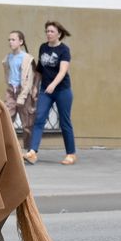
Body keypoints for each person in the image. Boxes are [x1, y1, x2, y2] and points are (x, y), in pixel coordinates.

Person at [24, 22, 76, 165]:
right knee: (39, 118)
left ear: (59, 34)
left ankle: (71, 154)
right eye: (47, 31)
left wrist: (53, 84)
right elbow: (40, 70)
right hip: (46, 91)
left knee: (65, 122)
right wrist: (35, 86)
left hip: (62, 90)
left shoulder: (64, 50)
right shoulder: (43, 47)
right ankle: (33, 152)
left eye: (52, 31)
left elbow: (63, 70)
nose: (48, 33)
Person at [2, 30, 38, 154]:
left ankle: (29, 150)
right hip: (11, 91)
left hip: (24, 93)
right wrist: (10, 87)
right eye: (9, 40)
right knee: (7, 118)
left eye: (13, 39)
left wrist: (22, 97)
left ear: (21, 42)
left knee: (26, 124)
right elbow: (8, 73)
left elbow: (29, 80)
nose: (10, 42)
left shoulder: (27, 58)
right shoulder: (8, 57)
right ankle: (11, 148)